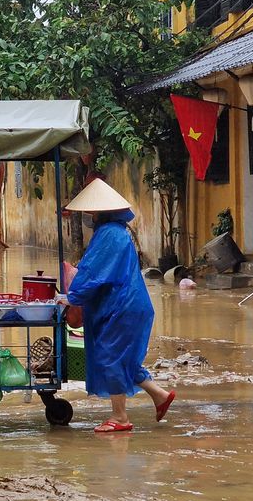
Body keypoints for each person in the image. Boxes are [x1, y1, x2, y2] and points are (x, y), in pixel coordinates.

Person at [64, 178, 175, 432]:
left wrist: (72, 296)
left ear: (101, 212)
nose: (89, 216)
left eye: (92, 212)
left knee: (110, 357)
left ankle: (120, 418)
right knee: (123, 358)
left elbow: (93, 274)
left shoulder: (109, 236)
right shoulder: (115, 233)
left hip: (121, 308)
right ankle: (159, 396)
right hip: (128, 305)